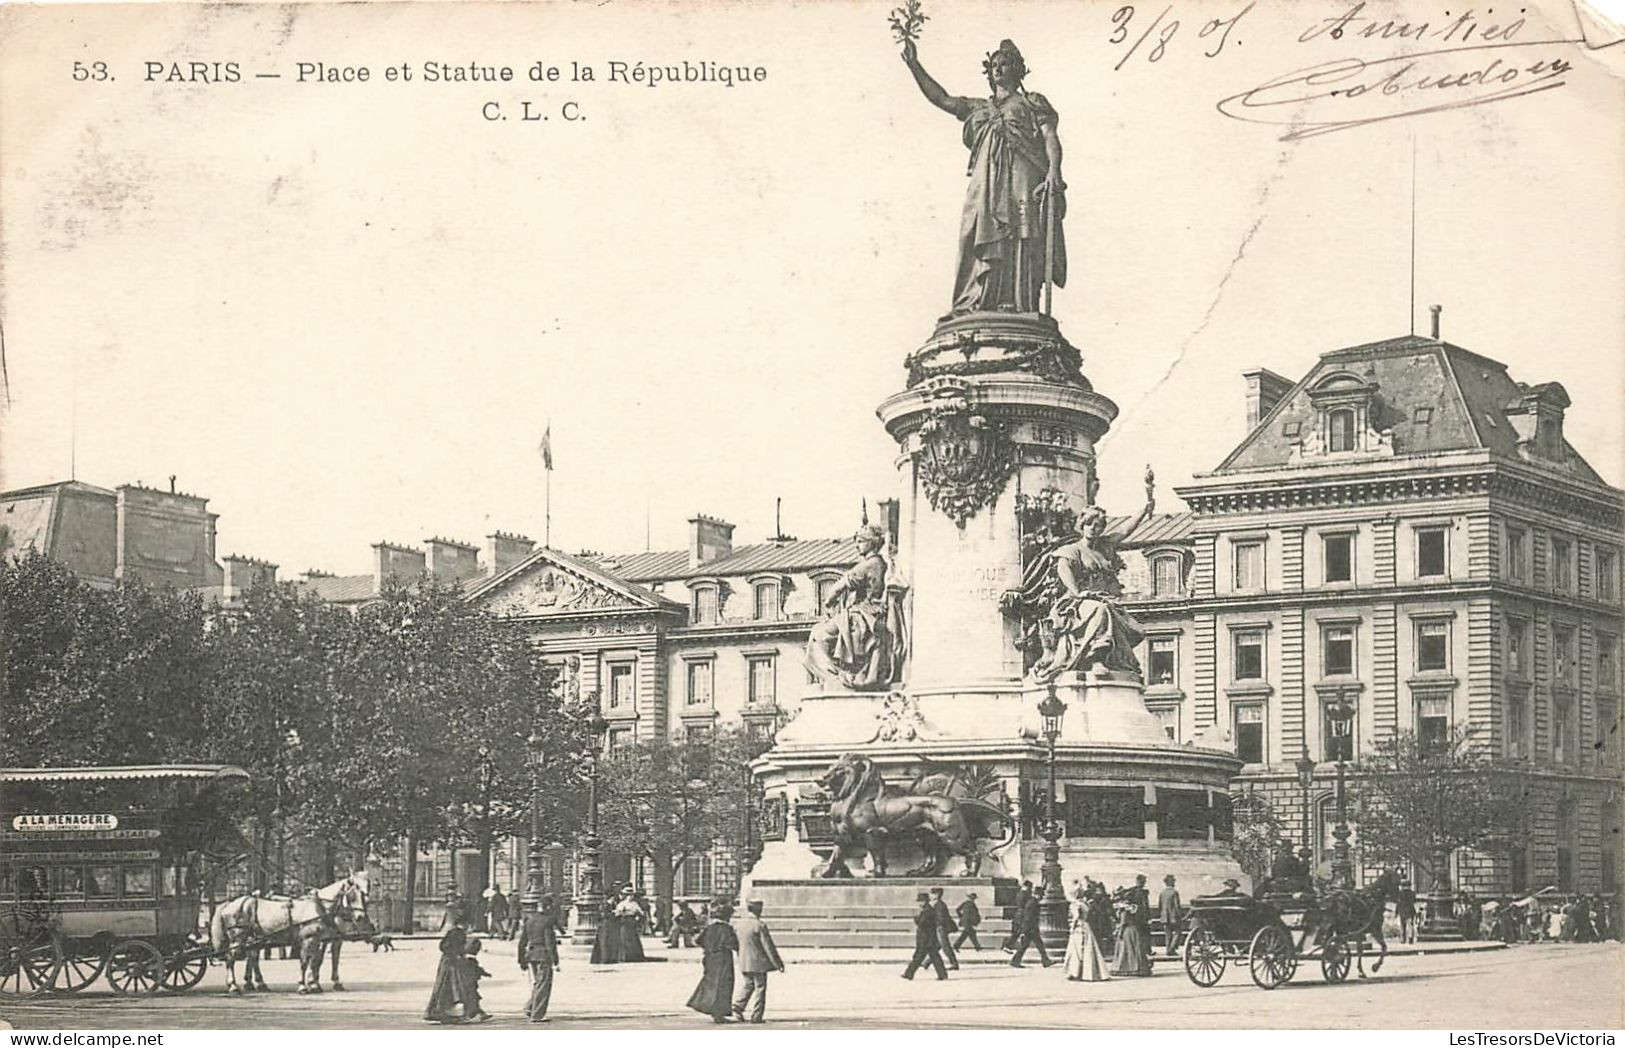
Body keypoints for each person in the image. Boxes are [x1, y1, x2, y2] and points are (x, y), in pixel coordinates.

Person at [899, 37, 1066, 316]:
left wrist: (1053, 170)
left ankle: (1018, 302)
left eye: (1005, 64)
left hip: (1022, 175)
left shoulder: (1032, 102)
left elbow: (1050, 137)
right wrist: (914, 65)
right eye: (994, 65)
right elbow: (942, 99)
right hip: (985, 184)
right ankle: (979, 300)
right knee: (975, 232)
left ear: (1018, 69)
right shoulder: (979, 108)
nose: (999, 69)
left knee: (1021, 233)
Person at [1023, 504, 1149, 683]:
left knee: (1133, 627)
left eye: (1098, 525)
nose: (1093, 528)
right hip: (1074, 603)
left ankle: (1112, 660)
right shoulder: (1072, 549)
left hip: (1101, 599)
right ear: (1082, 526)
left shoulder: (1105, 547)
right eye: (1089, 524)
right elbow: (1064, 570)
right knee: (1101, 610)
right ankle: (1096, 658)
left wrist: (1144, 509)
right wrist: (1078, 593)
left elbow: (1125, 529)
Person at [805, 524, 906, 689]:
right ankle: (839, 675)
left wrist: (828, 601)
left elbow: (840, 585)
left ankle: (838, 677)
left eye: (860, 541)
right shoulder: (880, 563)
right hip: (868, 614)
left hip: (863, 616)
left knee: (818, 635)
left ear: (871, 543)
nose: (857, 545)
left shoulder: (870, 564)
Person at [731, 900, 786, 1024]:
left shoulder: (738, 925)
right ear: (758, 910)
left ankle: (738, 1006)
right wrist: (778, 963)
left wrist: (742, 954)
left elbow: (734, 943)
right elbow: (768, 947)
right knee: (760, 988)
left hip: (744, 961)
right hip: (758, 963)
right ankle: (757, 1016)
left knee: (748, 984)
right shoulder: (759, 925)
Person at [686, 902, 739, 1023]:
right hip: (723, 959)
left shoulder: (710, 928)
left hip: (709, 958)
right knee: (723, 985)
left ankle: (709, 1008)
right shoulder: (726, 928)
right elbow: (733, 944)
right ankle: (718, 1013)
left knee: (710, 984)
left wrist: (708, 947)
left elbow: (698, 941)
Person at [423, 911, 472, 1023]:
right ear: (464, 924)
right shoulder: (458, 934)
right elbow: (448, 947)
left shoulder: (452, 932)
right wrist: (457, 955)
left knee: (443, 987)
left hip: (447, 962)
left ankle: (438, 1011)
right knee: (455, 987)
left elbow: (442, 946)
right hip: (452, 964)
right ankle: (451, 1013)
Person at [518, 897, 561, 1022]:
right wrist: (555, 961)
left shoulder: (529, 920)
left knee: (538, 983)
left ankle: (530, 1007)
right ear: (547, 907)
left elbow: (522, 942)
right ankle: (537, 1014)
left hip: (531, 955)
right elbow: (550, 943)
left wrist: (521, 960)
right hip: (543, 956)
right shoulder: (547, 921)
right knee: (543, 985)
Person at [1063, 884, 1109, 982]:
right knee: (1088, 949)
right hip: (1086, 926)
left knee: (1076, 950)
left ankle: (1076, 972)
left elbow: (1076, 916)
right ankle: (1088, 972)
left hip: (1079, 928)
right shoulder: (1084, 904)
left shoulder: (1075, 904)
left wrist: (1072, 927)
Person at [903, 892, 948, 980]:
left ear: (925, 902)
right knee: (934, 957)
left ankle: (909, 974)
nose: (919, 903)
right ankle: (942, 975)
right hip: (928, 939)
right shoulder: (927, 910)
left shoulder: (927, 911)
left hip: (926, 939)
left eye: (921, 901)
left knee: (920, 957)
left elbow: (922, 923)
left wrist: (916, 919)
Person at [1111, 882, 1153, 977]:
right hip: (1133, 930)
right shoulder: (1132, 907)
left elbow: (1123, 922)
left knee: (1125, 950)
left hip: (1127, 931)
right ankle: (1138, 967)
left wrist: (1119, 932)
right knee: (1134, 950)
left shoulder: (1124, 908)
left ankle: (1128, 968)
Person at [1009, 886, 1053, 968]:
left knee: (1034, 945)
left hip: (1031, 929)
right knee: (1033, 945)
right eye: (1041, 895)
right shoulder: (1033, 903)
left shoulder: (1032, 902)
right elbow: (1028, 918)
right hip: (1030, 929)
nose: (1042, 897)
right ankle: (1045, 961)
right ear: (1038, 895)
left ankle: (1045, 960)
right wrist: (1025, 930)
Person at [459, 938, 493, 1023]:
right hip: (470, 983)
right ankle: (469, 1015)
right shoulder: (471, 960)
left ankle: (480, 1013)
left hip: (468, 983)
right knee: (472, 999)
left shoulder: (463, 959)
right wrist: (485, 973)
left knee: (473, 999)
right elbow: (477, 969)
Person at [929, 887, 960, 971]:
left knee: (945, 946)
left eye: (932, 894)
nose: (930, 895)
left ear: (937, 895)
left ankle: (954, 963)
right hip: (939, 927)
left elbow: (941, 918)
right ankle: (927, 962)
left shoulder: (940, 905)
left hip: (941, 928)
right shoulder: (936, 904)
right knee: (936, 946)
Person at [1158, 875, 1183, 957]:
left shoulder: (1162, 892)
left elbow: (1160, 905)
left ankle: (1168, 949)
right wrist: (1180, 916)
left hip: (1164, 917)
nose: (1174, 882)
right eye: (1173, 881)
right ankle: (1171, 949)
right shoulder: (1174, 892)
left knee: (1167, 934)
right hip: (1173, 917)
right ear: (1171, 882)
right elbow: (1177, 906)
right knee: (1177, 932)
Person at [1003, 882, 1033, 952]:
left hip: (1018, 914)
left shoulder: (1019, 893)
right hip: (1023, 914)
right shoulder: (1026, 894)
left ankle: (1009, 946)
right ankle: (1011, 947)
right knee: (1021, 932)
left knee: (1017, 932)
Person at [1395, 877, 1417, 944]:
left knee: (1402, 925)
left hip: (1402, 911)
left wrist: (1396, 912)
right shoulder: (1412, 893)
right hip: (1410, 911)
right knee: (1410, 925)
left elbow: (1398, 903)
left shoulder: (1399, 893)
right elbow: (1414, 901)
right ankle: (1410, 938)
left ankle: (1403, 939)